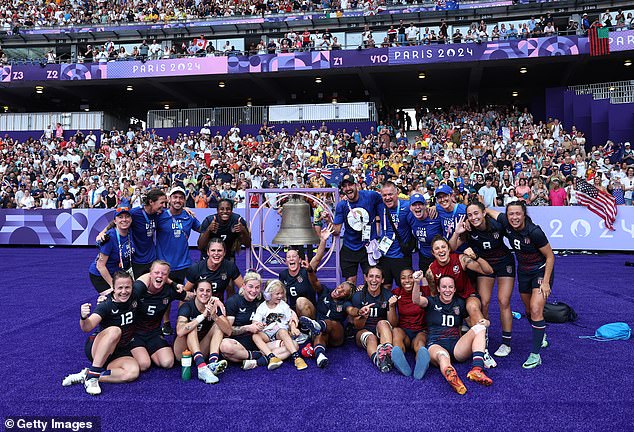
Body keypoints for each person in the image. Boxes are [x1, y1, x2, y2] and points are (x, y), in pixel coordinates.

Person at [486, 201, 555, 369]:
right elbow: (493, 213)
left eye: (518, 214)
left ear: (524, 214)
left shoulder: (534, 231)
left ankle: (535, 354)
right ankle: (541, 333)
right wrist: (484, 208)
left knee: (536, 308)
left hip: (540, 271)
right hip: (523, 272)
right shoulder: (506, 223)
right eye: (511, 214)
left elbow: (550, 256)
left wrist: (545, 282)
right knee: (530, 311)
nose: (514, 217)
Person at [449, 202, 516, 358]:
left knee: (503, 301)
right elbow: (451, 248)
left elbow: (514, 230)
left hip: (504, 263)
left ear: (484, 213)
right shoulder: (468, 228)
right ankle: (482, 337)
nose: (473, 217)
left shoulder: (497, 225)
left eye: (476, 213)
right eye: (470, 215)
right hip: (484, 265)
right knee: (484, 301)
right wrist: (457, 232)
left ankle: (506, 343)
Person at [411, 274, 493, 395]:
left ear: (454, 289)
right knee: (442, 356)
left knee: (480, 328)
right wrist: (417, 282)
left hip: (456, 347)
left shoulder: (459, 303)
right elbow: (416, 300)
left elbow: (472, 323)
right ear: (438, 289)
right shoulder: (431, 302)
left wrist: (486, 322)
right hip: (436, 344)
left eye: (450, 287)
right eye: (444, 287)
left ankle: (476, 369)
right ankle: (452, 376)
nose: (447, 290)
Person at [62, 271, 141, 395]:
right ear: (113, 288)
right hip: (98, 346)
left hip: (119, 350)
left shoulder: (134, 296)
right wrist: (83, 317)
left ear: (132, 287)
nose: (124, 291)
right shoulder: (106, 304)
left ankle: (88, 375)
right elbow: (87, 327)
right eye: (120, 288)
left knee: (132, 372)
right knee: (115, 330)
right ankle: (93, 376)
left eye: (127, 287)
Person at [426, 235, 497, 368]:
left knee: (473, 308)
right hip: (449, 300)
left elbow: (488, 270)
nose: (441, 251)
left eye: (443, 247)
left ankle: (484, 352)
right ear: (433, 253)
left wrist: (475, 257)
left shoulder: (460, 259)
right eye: (437, 248)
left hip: (466, 295)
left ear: (448, 249)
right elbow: (434, 294)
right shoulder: (431, 271)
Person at [220, 271, 292, 370]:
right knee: (225, 346)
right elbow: (227, 331)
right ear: (243, 286)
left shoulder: (263, 299)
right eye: (250, 286)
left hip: (262, 341)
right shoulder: (234, 302)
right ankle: (257, 356)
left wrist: (294, 317)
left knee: (293, 346)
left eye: (257, 287)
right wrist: (247, 328)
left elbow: (284, 307)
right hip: (240, 344)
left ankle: (257, 360)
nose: (254, 291)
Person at [155, 186, 202, 336]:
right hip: (165, 265)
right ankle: (166, 323)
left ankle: (180, 322)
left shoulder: (189, 217)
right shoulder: (160, 215)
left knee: (184, 294)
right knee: (165, 296)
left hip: (184, 263)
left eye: (181, 197)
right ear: (169, 199)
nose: (178, 200)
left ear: (184, 200)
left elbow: (203, 229)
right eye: (175, 197)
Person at [129, 261, 189, 371]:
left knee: (168, 363)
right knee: (144, 365)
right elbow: (121, 297)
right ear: (150, 274)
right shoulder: (139, 289)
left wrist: (210, 298)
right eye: (156, 272)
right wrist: (106, 299)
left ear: (167, 278)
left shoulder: (169, 290)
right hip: (135, 333)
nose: (160, 276)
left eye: (164, 274)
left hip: (154, 333)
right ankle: (139, 353)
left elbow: (190, 297)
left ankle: (146, 351)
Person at [97, 188, 167, 278]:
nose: (164, 205)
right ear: (151, 202)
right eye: (161, 203)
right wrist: (102, 232)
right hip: (135, 259)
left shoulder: (159, 213)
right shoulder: (135, 213)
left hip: (152, 258)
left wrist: (184, 209)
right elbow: (118, 220)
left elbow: (173, 213)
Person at [173, 280, 231, 384]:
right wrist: (202, 316)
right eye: (201, 290)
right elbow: (180, 332)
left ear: (212, 294)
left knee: (219, 326)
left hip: (200, 349)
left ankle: (212, 363)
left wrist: (214, 316)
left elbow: (228, 331)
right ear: (195, 292)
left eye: (208, 291)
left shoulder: (213, 307)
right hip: (182, 352)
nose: (205, 293)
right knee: (192, 325)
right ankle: (202, 368)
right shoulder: (187, 307)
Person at [329, 173, 382, 284]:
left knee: (370, 281)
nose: (348, 188)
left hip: (367, 247)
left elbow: (386, 200)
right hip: (350, 247)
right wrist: (327, 220)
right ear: (342, 189)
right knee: (350, 283)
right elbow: (337, 231)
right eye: (345, 186)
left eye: (350, 185)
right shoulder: (342, 205)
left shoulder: (370, 196)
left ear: (356, 185)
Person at [351, 267, 400, 373]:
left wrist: (391, 307)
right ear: (366, 278)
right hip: (363, 330)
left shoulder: (388, 295)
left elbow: (393, 324)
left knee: (382, 323)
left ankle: (387, 352)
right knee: (371, 337)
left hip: (381, 331)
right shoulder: (358, 296)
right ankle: (379, 360)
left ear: (382, 280)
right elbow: (356, 326)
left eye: (378, 277)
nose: (374, 280)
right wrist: (364, 316)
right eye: (371, 276)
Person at [251, 280, 308, 370]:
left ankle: (297, 357)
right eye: (277, 294)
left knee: (282, 331)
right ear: (268, 295)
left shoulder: (283, 305)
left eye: (282, 293)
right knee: (255, 336)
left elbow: (291, 318)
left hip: (280, 332)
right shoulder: (262, 307)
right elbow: (255, 322)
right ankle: (271, 357)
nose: (280, 296)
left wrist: (293, 328)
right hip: (267, 333)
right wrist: (258, 325)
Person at [278, 226, 333, 319]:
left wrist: (323, 240)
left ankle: (307, 327)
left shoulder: (306, 271)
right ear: (285, 261)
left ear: (299, 260)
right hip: (293, 312)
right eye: (288, 257)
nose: (291, 258)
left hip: (309, 310)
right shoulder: (283, 275)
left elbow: (317, 258)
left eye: (294, 256)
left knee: (301, 301)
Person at [299, 280, 356, 368]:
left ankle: (317, 326)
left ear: (346, 296)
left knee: (330, 323)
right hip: (320, 332)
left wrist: (360, 312)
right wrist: (310, 270)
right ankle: (320, 356)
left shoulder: (345, 303)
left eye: (343, 291)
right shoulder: (325, 291)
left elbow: (351, 310)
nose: (339, 290)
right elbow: (315, 282)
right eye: (341, 286)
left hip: (335, 335)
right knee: (301, 301)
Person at [388, 268, 431, 379]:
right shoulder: (396, 293)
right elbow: (381, 294)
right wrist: (391, 306)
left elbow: (434, 287)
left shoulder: (424, 290)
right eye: (403, 278)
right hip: (404, 332)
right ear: (399, 280)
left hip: (420, 330)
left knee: (420, 343)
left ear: (415, 278)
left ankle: (421, 363)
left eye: (410, 277)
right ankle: (399, 356)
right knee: (396, 331)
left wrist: (427, 275)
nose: (407, 280)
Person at [88, 207, 134, 293]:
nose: (124, 219)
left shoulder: (131, 232)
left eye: (127, 216)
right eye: (120, 217)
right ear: (115, 221)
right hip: (101, 275)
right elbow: (100, 265)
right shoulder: (109, 238)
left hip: (117, 273)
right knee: (114, 300)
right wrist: (113, 286)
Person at [377, 181, 413, 289]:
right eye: (384, 195)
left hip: (401, 256)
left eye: (390, 194)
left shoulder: (407, 206)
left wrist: (432, 208)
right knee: (385, 288)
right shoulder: (379, 207)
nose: (387, 198)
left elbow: (422, 209)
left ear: (397, 193)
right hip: (384, 255)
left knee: (404, 289)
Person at [407, 193, 442, 273]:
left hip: (439, 256)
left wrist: (436, 207)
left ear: (425, 205)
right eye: (414, 205)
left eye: (420, 204)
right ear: (410, 208)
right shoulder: (410, 217)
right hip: (423, 256)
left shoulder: (435, 215)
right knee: (426, 281)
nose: (417, 207)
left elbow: (448, 208)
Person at [434, 184, 467, 252]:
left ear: (451, 196)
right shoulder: (438, 208)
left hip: (462, 249)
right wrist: (432, 208)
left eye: (445, 196)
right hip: (446, 248)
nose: (442, 200)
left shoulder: (463, 210)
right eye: (439, 197)